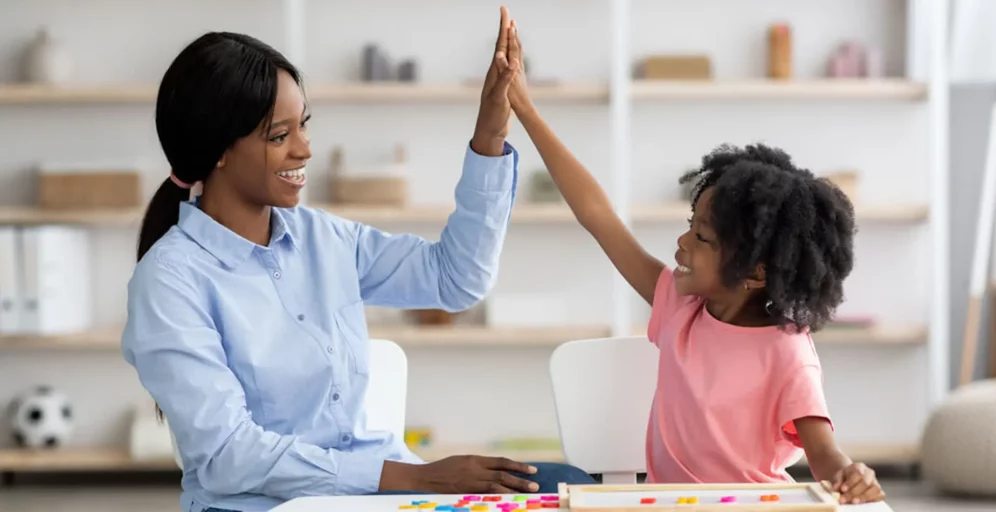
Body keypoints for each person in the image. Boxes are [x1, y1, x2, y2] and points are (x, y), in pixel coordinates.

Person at [120, 8, 592, 512]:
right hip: (261, 505)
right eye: (279, 136)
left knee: (568, 485)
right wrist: (411, 478)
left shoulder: (324, 237)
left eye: (303, 126)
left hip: (375, 496)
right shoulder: (170, 280)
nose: (304, 150)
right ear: (217, 150)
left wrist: (489, 139)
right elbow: (228, 453)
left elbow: (456, 280)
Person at [499, 23, 884, 505]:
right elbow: (598, 217)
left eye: (702, 237)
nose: (681, 243)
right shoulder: (680, 306)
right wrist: (527, 110)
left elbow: (824, 453)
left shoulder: (788, 352)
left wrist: (853, 475)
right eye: (690, 224)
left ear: (756, 272)